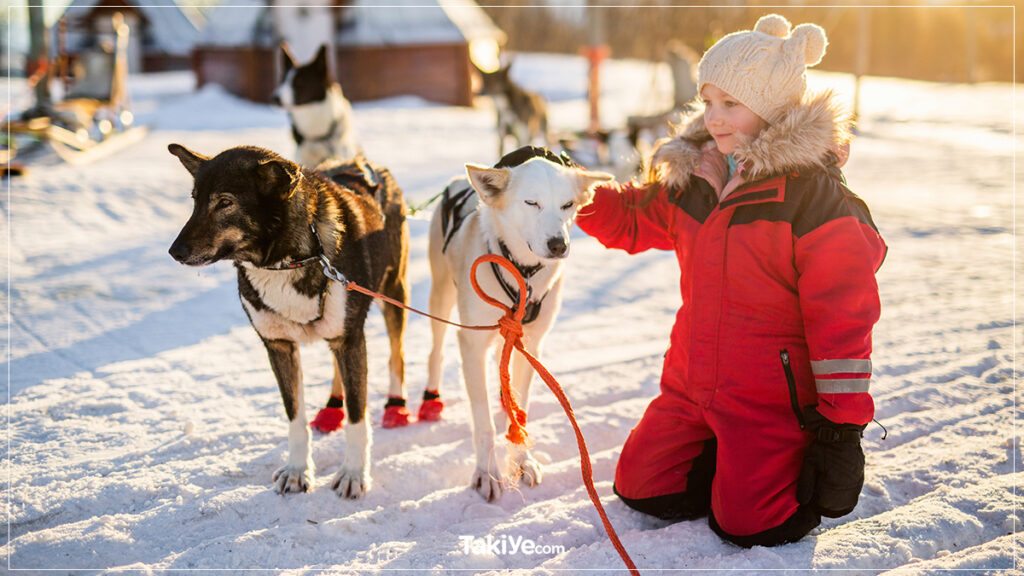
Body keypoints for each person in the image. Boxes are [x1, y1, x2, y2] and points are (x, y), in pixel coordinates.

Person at [576, 14, 886, 547]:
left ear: (771, 110)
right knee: (640, 485)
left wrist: (840, 430)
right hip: (690, 383)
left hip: (766, 397)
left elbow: (843, 322)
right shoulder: (699, 174)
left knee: (748, 524)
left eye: (731, 105)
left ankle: (773, 464)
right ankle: (726, 457)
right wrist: (565, 188)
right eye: (708, 101)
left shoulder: (812, 201)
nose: (713, 119)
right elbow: (630, 218)